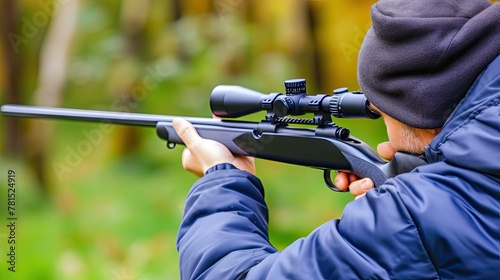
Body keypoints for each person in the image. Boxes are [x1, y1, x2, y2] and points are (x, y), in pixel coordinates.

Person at [172, 0, 500, 278]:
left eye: (381, 112)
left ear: (418, 115)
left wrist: (223, 181)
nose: (386, 144)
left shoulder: (421, 216)